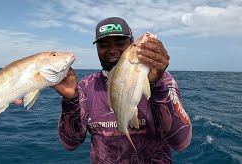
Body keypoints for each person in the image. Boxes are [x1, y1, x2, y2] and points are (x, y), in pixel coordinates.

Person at [53, 17, 192, 163]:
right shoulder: (86, 86)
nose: (112, 50)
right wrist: (70, 100)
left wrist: (157, 86)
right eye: (103, 45)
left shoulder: (162, 79)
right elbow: (71, 143)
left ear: (131, 44)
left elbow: (181, 141)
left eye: (120, 43)